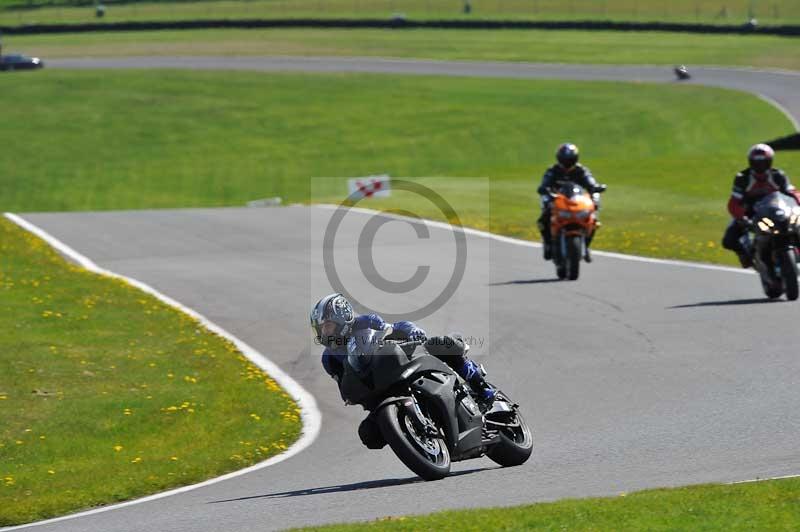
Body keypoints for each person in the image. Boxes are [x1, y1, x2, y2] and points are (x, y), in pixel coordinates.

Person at [310, 293, 495, 448]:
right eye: (321, 329)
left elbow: (396, 327)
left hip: (402, 361)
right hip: (376, 390)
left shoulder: (366, 322)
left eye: (327, 327)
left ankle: (482, 388)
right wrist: (349, 395)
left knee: (447, 344)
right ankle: (409, 434)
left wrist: (412, 330)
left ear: (342, 318)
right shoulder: (328, 359)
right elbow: (342, 385)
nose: (324, 334)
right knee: (368, 435)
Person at [722, 144, 800, 268]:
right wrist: (742, 218)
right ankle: (745, 255)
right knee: (729, 240)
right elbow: (734, 203)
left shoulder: (778, 175)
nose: (761, 167)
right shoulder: (743, 178)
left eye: (764, 163)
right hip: (751, 213)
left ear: (770, 162)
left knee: (795, 226)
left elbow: (792, 192)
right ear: (750, 163)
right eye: (757, 163)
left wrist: (798, 203)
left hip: (777, 210)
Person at [537, 143, 607, 262]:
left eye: (570, 159)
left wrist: (596, 187)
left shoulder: (581, 170)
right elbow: (544, 184)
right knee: (543, 220)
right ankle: (548, 244)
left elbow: (590, 182)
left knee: (593, 220)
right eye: (565, 159)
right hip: (557, 201)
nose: (567, 162)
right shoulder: (553, 171)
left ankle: (586, 245)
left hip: (577, 202)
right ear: (559, 158)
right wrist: (545, 190)